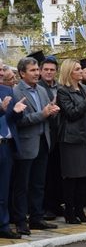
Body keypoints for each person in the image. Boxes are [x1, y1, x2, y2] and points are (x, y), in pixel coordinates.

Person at [12, 53, 60, 235]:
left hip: (43, 141)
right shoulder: (17, 92)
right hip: (26, 144)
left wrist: (52, 111)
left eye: (36, 70)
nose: (36, 73)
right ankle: (20, 220)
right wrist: (43, 114)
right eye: (32, 70)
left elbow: (47, 111)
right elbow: (19, 120)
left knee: (38, 183)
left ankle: (37, 218)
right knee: (22, 185)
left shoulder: (40, 90)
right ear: (22, 73)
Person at [56, 59, 86, 224]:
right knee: (72, 178)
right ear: (70, 72)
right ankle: (69, 213)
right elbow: (71, 113)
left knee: (84, 177)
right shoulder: (62, 91)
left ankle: (80, 210)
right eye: (77, 69)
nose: (80, 71)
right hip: (71, 139)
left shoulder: (83, 88)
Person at [0, 60, 27, 239]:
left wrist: (16, 111)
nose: (1, 73)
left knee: (3, 190)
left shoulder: (7, 90)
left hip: (6, 147)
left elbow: (11, 120)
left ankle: (3, 225)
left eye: (2, 69)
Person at [38, 56, 63, 221]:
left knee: (57, 171)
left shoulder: (59, 88)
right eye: (46, 69)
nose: (48, 72)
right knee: (44, 174)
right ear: (40, 71)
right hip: (43, 135)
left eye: (52, 70)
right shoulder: (38, 88)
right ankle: (46, 207)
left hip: (59, 134)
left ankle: (55, 204)